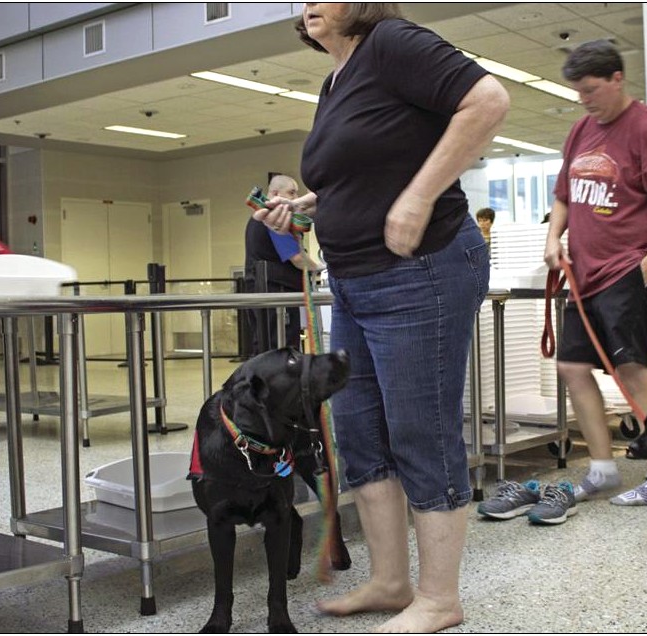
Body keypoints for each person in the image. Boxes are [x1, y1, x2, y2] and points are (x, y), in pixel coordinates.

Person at [253, 3, 508, 631]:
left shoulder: (393, 41)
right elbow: (366, 166)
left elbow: (489, 101)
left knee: (420, 427)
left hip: (421, 268)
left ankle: (440, 598)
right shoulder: (335, 78)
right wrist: (312, 204)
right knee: (360, 430)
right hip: (356, 279)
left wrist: (419, 196)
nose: (307, 4)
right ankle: (392, 581)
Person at [542, 40, 647, 507]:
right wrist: (554, 238)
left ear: (618, 79)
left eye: (592, 89)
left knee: (634, 372)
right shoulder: (580, 131)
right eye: (578, 93)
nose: (586, 100)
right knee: (572, 366)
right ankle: (602, 469)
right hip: (585, 273)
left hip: (628, 272)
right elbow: (564, 196)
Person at [243, 174, 324, 355]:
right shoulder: (276, 219)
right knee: (283, 348)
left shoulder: (256, 219)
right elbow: (297, 258)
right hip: (278, 293)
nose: (296, 198)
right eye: (292, 193)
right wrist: (321, 268)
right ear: (275, 193)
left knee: (263, 345)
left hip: (258, 290)